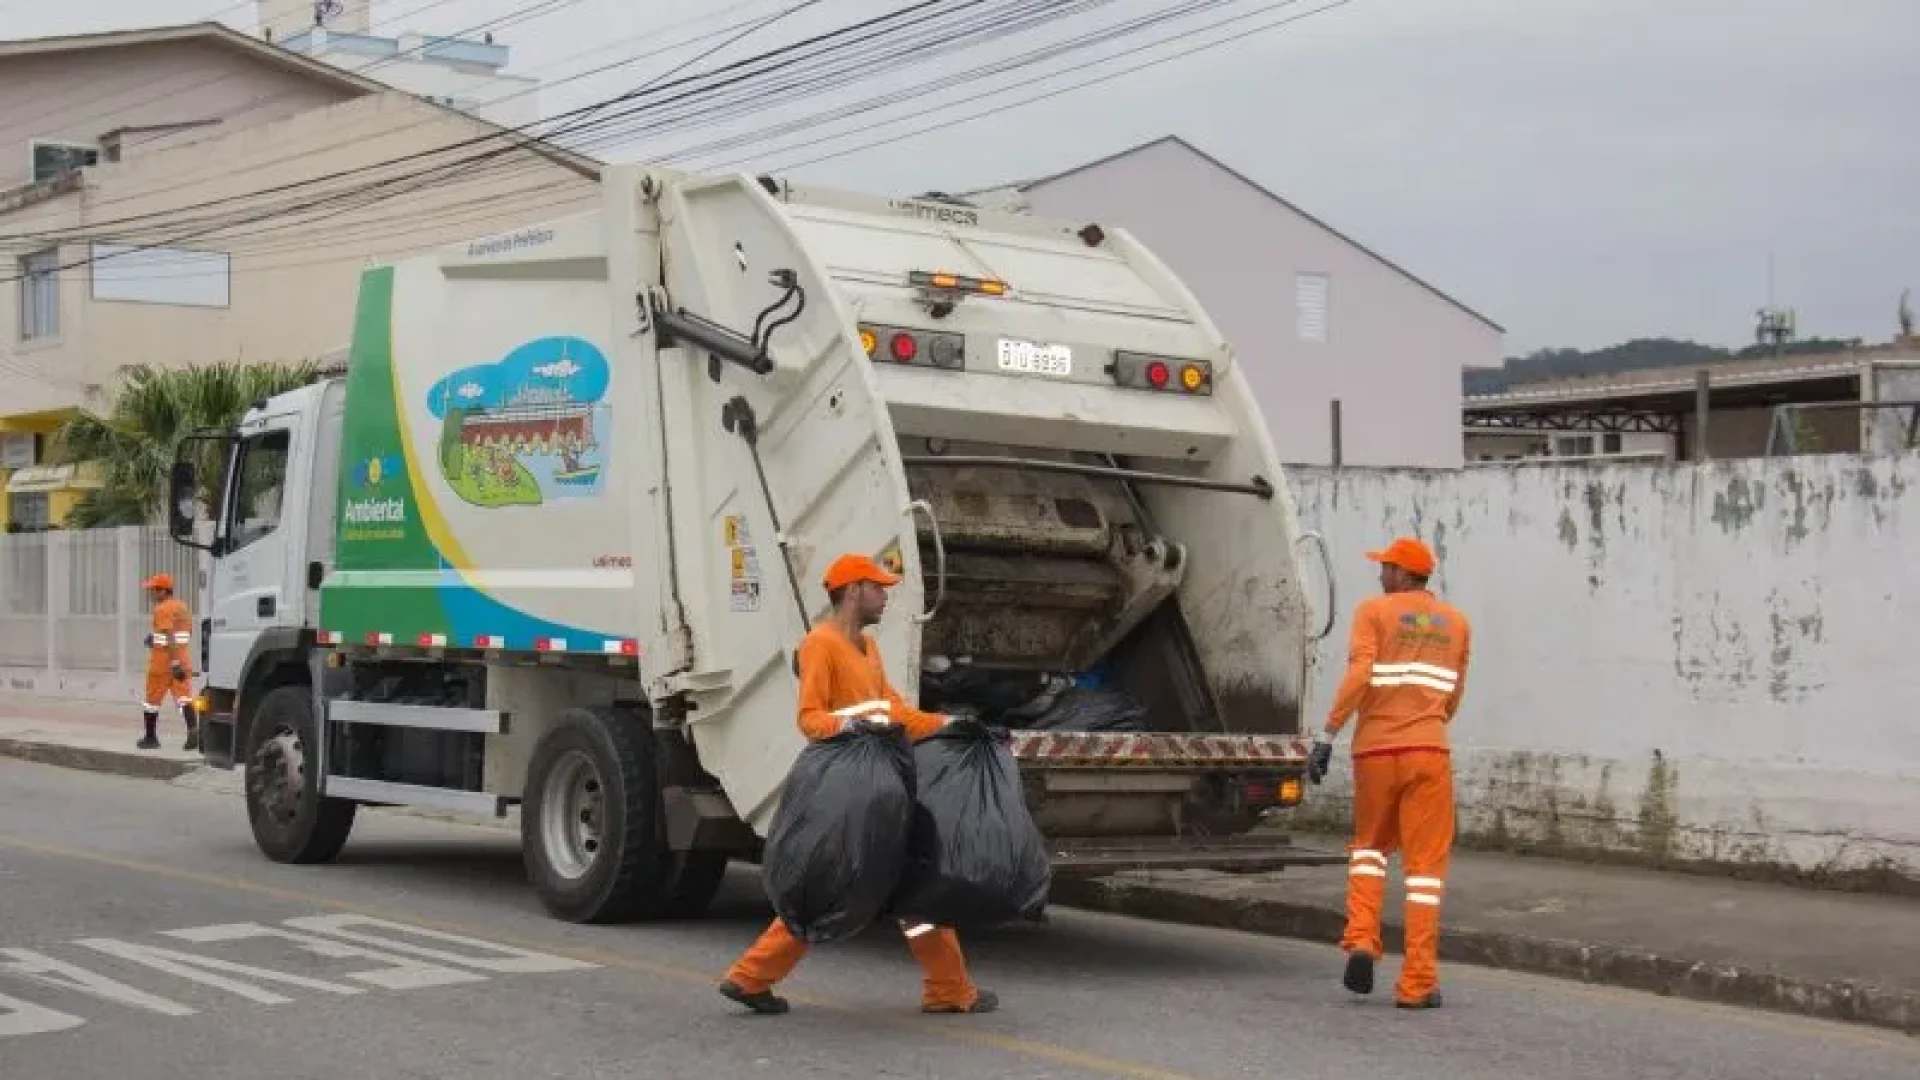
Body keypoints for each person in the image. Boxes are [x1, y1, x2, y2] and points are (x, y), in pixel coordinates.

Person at [718, 553, 998, 1017]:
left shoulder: (868, 648)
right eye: (878, 588)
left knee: (910, 883)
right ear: (853, 592)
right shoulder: (819, 645)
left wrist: (949, 724)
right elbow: (810, 719)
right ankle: (750, 977)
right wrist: (855, 724)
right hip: (845, 788)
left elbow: (894, 712)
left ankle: (948, 987)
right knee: (834, 885)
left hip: (881, 786)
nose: (885, 598)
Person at [1307, 536, 1470, 1010]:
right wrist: (1426, 722)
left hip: (1376, 752)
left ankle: (1361, 939)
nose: (1380, 574)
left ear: (1401, 573)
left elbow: (1359, 676)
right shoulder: (1458, 623)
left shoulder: (1372, 612)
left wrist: (1328, 734)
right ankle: (1417, 984)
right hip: (1429, 751)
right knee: (1424, 873)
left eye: (1385, 567)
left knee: (1369, 851)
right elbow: (1453, 695)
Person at [139, 573, 199, 753]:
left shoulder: (162, 609)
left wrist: (173, 663)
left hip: (163, 662)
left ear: (163, 591)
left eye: (153, 590)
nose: (151, 593)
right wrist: (155, 639)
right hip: (182, 658)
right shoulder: (182, 607)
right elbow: (184, 634)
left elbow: (169, 635)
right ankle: (193, 730)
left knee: (152, 701)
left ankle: (150, 738)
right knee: (184, 698)